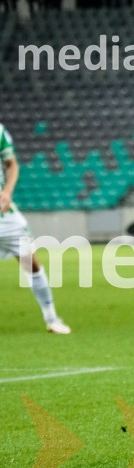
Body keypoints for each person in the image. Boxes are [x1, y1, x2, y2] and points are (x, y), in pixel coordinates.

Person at [0, 123, 71, 334]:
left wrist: (7, 192)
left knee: (30, 262)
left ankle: (51, 318)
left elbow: (12, 164)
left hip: (4, 215)